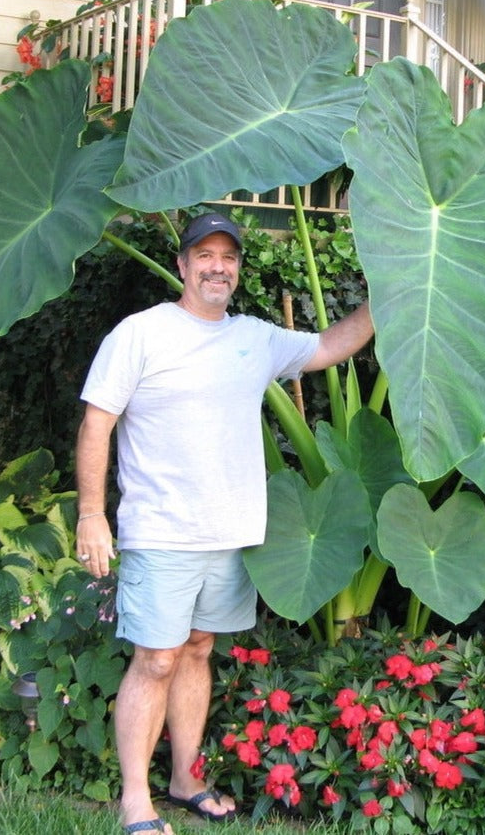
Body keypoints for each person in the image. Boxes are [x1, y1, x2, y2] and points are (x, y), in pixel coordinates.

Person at [74, 211, 374, 834]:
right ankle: (136, 799)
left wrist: (391, 294)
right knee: (155, 659)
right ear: (183, 266)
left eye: (228, 257)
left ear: (237, 268)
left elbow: (329, 346)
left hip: (230, 532)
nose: (218, 266)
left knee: (199, 649)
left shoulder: (254, 339)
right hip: (161, 531)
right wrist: (91, 514)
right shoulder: (142, 333)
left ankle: (185, 780)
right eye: (204, 256)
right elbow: (96, 423)